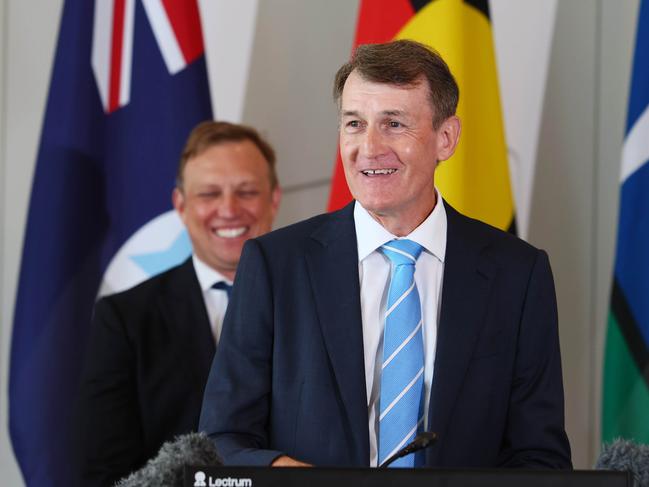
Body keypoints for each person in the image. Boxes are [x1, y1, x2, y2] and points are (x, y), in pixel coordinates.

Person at [199, 40, 571, 469]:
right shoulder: (275, 265)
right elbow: (221, 441)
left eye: (394, 124)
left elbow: (540, 456)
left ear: (445, 138)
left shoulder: (517, 274)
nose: (370, 148)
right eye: (354, 124)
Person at [75, 121, 281, 485]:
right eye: (209, 194)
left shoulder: (322, 303)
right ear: (180, 206)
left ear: (274, 199)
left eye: (247, 191)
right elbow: (104, 474)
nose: (229, 209)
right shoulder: (124, 321)